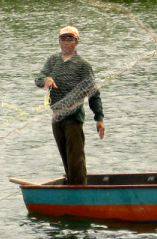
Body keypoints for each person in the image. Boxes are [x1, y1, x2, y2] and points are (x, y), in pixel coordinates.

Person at [35, 25, 105, 185]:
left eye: (70, 39)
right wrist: (46, 80)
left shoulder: (83, 65)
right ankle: (71, 188)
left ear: (77, 42)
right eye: (63, 38)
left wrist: (99, 118)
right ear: (59, 41)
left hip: (73, 118)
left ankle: (80, 190)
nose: (66, 42)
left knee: (75, 159)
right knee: (65, 157)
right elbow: (38, 79)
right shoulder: (53, 60)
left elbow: (94, 93)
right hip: (57, 117)